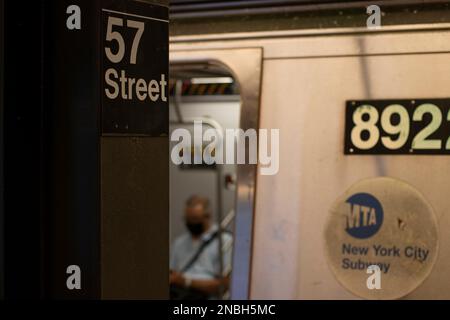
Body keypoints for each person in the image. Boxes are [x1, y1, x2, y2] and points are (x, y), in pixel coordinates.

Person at [170, 195, 233, 300]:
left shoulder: (225, 241)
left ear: (207, 216)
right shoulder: (179, 243)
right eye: (188, 219)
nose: (191, 223)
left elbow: (225, 285)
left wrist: (186, 281)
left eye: (195, 219)